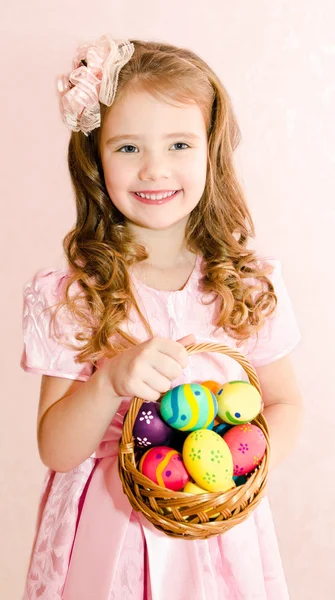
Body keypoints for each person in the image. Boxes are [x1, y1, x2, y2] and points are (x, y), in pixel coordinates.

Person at [20, 34, 303, 600]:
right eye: (127, 148)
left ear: (210, 151)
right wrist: (110, 381)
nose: (155, 169)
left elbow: (285, 402)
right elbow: (55, 448)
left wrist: (231, 471)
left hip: (214, 529)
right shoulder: (74, 294)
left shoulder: (246, 284)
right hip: (109, 529)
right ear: (95, 159)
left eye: (179, 144)